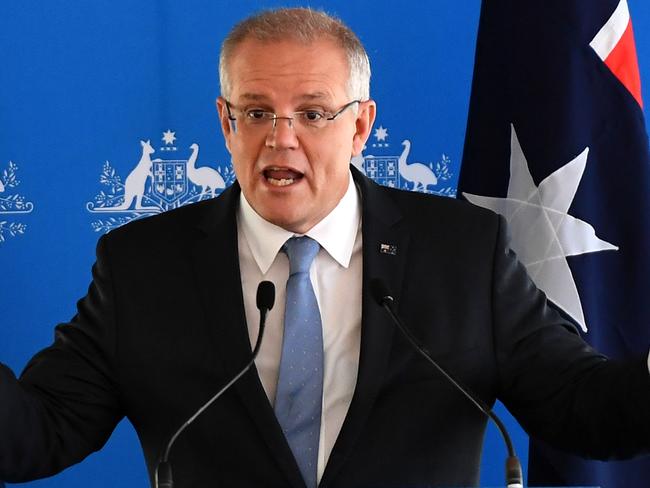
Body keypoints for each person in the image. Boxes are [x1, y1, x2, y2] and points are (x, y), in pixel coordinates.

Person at [1, 7, 649, 488]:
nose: (282, 139)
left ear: (360, 125)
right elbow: (37, 432)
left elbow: (582, 407)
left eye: (312, 114)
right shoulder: (143, 266)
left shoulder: (463, 253)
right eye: (256, 112)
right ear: (226, 123)